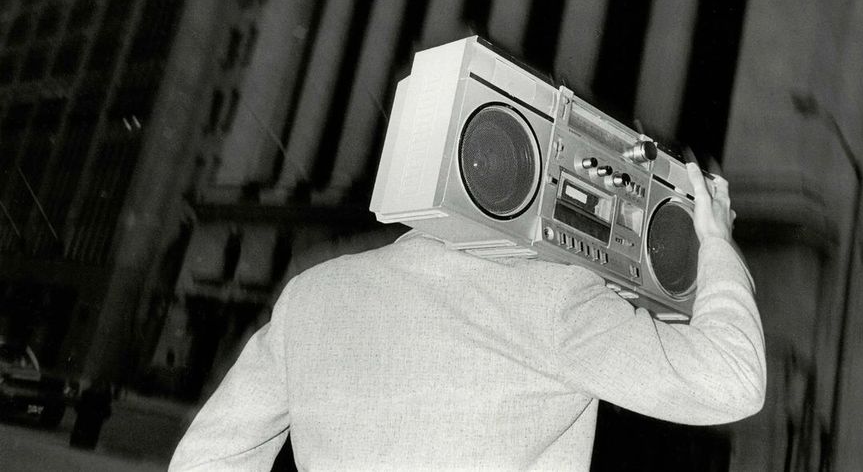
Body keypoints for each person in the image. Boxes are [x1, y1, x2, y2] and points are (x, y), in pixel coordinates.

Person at [169, 163, 765, 470]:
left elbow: (206, 458)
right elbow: (733, 380)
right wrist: (716, 245)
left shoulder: (311, 295)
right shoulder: (556, 300)